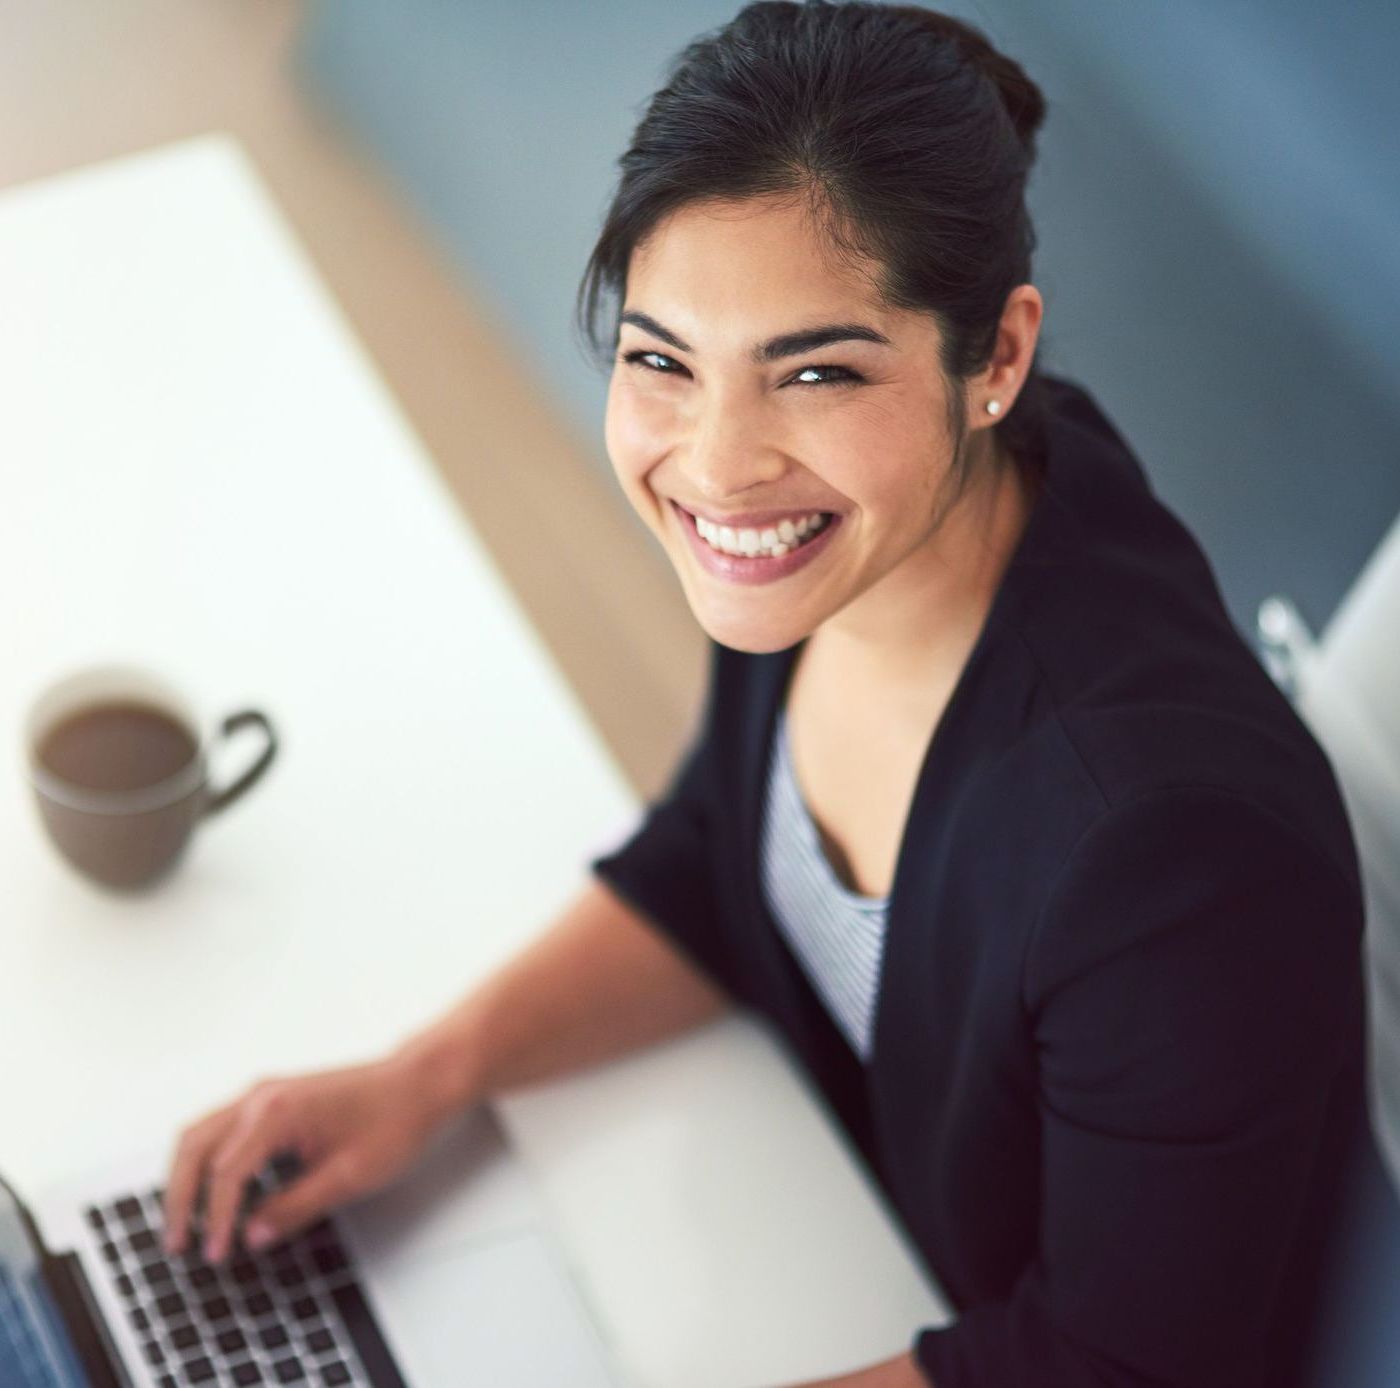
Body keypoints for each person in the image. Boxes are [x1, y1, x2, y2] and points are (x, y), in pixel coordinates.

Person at [159, 4, 1372, 1385]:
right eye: (664, 360)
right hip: (810, 1235)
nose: (718, 467)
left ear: (999, 358)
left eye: (814, 373)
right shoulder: (865, 539)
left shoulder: (1167, 857)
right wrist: (427, 1077)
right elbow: (720, 864)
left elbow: (1114, 1367)